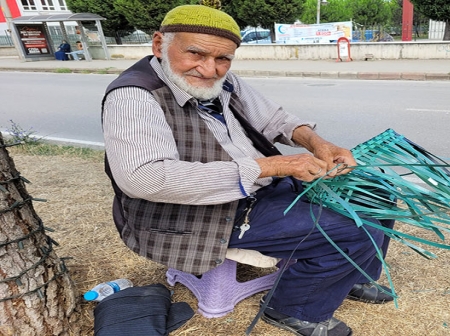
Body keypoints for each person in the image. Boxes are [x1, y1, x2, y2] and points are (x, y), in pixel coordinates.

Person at [101, 5, 394, 336]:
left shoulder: (224, 83)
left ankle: (351, 276)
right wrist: (274, 165)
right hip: (194, 210)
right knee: (347, 229)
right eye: (195, 53)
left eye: (223, 59)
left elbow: (274, 120)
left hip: (256, 187)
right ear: (159, 45)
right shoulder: (135, 97)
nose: (210, 69)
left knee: (375, 193)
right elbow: (145, 179)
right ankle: (291, 309)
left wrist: (317, 144)